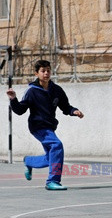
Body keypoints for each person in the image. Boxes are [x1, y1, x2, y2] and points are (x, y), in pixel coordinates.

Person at [6, 60, 84, 190]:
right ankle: (52, 181)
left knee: (51, 157)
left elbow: (65, 107)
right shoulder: (32, 91)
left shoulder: (57, 90)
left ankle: (29, 161)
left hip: (50, 127)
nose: (46, 73)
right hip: (37, 127)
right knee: (56, 145)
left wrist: (73, 111)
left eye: (48, 70)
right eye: (43, 71)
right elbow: (20, 110)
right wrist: (13, 99)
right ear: (37, 73)